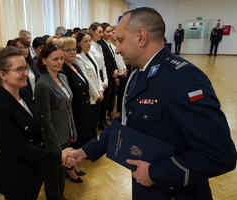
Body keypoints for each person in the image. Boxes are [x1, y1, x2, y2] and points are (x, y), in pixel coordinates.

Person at [69, 7, 236, 200]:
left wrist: (156, 173)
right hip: (145, 188)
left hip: (176, 192)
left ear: (141, 37)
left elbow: (220, 156)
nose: (117, 49)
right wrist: (83, 152)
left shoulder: (183, 78)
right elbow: (125, 126)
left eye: (121, 40)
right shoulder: (138, 74)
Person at [0, 46, 73, 200]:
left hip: (34, 170)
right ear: (3, 74)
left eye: (25, 67)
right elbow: (21, 148)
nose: (26, 73)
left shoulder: (24, 93)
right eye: (19, 69)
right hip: (18, 177)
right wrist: (58, 156)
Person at [34, 43, 77, 200]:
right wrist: (53, 145)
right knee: (52, 175)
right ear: (44, 61)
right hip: (54, 139)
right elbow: (45, 120)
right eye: (55, 59)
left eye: (60, 58)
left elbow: (68, 108)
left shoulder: (63, 77)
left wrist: (73, 130)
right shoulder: (42, 85)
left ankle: (61, 196)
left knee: (62, 171)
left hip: (65, 134)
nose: (59, 62)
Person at [58, 37, 94, 183]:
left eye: (74, 49)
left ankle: (75, 167)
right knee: (73, 142)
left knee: (79, 141)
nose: (72, 52)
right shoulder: (63, 70)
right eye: (68, 50)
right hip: (74, 111)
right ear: (61, 52)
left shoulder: (75, 65)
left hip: (83, 108)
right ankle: (70, 170)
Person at [73, 31, 103, 139]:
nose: (89, 43)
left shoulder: (90, 54)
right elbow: (86, 79)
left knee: (95, 119)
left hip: (97, 93)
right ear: (79, 43)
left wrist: (100, 90)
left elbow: (97, 74)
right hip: (90, 94)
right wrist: (96, 94)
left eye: (90, 41)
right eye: (85, 41)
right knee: (89, 122)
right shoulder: (78, 57)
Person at [97, 22, 119, 128]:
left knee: (109, 99)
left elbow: (112, 59)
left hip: (111, 74)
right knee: (104, 101)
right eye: (107, 31)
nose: (109, 34)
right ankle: (102, 121)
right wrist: (113, 72)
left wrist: (115, 70)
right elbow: (105, 61)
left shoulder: (107, 43)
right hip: (107, 75)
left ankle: (104, 120)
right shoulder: (101, 44)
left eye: (111, 31)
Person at [108, 25, 128, 113]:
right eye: (113, 33)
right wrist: (121, 70)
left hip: (122, 69)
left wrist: (124, 68)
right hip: (117, 72)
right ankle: (111, 110)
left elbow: (121, 59)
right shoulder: (110, 45)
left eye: (116, 33)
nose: (115, 35)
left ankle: (120, 108)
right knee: (114, 94)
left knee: (122, 92)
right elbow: (115, 60)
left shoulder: (117, 43)